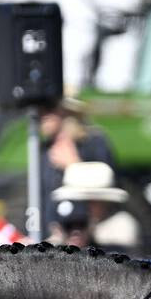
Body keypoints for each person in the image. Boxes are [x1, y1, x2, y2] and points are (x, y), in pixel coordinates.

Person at [39, 97, 116, 234]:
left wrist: (73, 166)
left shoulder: (94, 142)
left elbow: (109, 188)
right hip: (54, 230)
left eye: (49, 109)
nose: (42, 115)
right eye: (40, 110)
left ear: (66, 112)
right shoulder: (42, 150)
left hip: (89, 229)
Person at [48, 161, 141, 252]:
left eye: (89, 202)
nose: (83, 209)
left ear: (105, 202)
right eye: (77, 202)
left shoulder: (121, 225)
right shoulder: (61, 225)